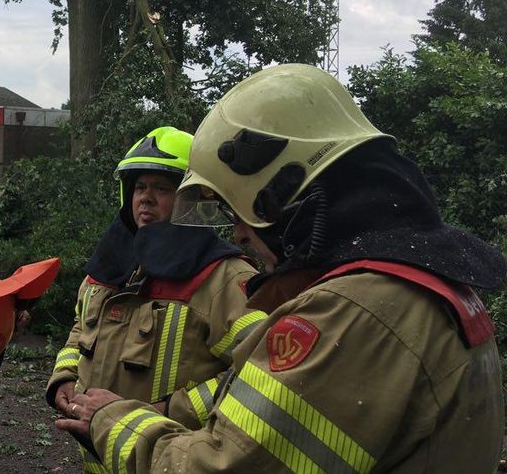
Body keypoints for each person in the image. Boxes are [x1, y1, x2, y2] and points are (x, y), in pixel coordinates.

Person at [59, 64, 506, 473]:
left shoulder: (352, 313)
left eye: (241, 213)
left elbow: (221, 463)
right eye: (140, 188)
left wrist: (114, 418)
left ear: (283, 194)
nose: (239, 234)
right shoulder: (419, 284)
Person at [47, 126, 264, 473]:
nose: (145, 198)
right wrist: (63, 377)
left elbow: (256, 374)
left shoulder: (226, 279)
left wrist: (168, 410)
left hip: (169, 461)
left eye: (162, 188)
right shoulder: (108, 267)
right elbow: (79, 329)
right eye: (140, 187)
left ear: (194, 199)